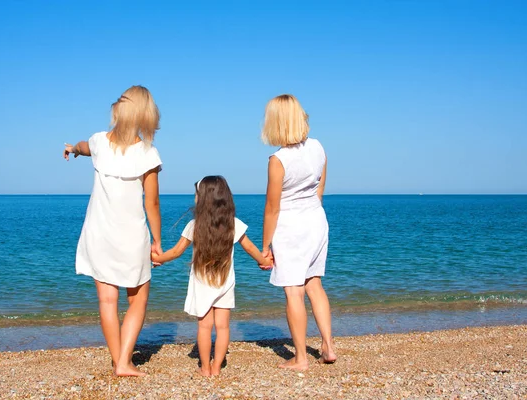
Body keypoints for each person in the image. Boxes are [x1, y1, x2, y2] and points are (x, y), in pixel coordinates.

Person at [63, 85, 162, 377]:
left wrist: (73, 150)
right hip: (130, 236)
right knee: (138, 298)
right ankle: (123, 362)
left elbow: (82, 145)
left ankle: (118, 360)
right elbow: (152, 203)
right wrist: (157, 241)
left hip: (98, 233)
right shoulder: (147, 152)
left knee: (107, 301)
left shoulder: (98, 142)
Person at [152, 176, 272, 376]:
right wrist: (265, 261)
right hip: (225, 281)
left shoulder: (194, 225)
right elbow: (251, 248)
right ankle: (217, 368)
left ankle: (205, 367)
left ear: (204, 199)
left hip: (202, 283)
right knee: (223, 327)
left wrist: (158, 259)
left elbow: (176, 251)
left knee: (205, 327)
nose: (194, 197)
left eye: (196, 194)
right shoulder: (233, 224)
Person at [260, 94, 337, 371]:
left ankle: (301, 357)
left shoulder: (278, 159)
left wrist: (265, 245)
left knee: (294, 291)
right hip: (316, 219)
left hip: (291, 226)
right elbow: (319, 190)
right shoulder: (318, 147)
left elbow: (272, 208)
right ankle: (328, 346)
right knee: (314, 284)